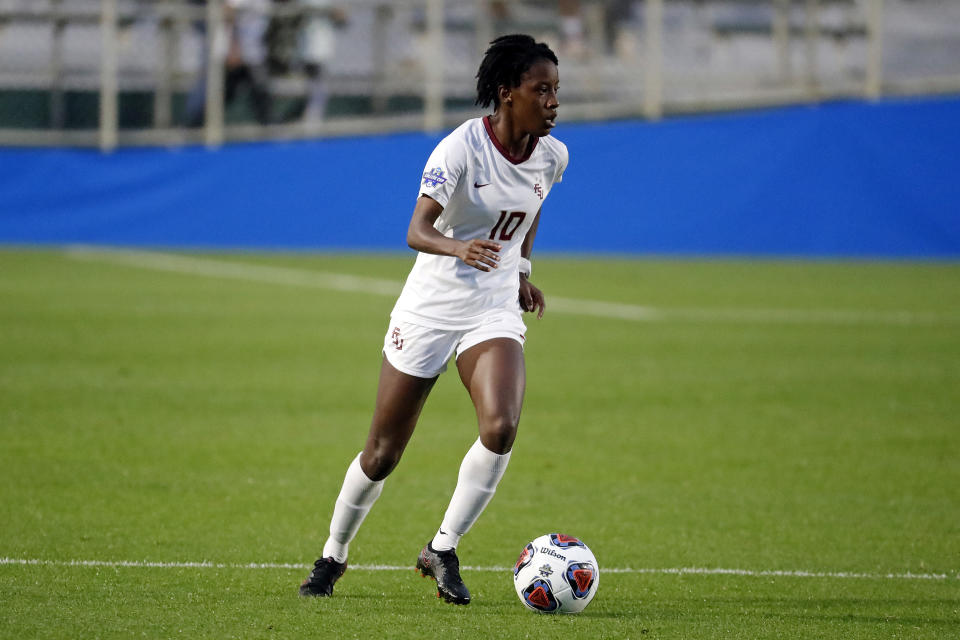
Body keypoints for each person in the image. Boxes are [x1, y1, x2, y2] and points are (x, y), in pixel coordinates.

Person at [299, 34, 567, 605]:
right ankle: (333, 554)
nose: (552, 102)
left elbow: (530, 210)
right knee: (382, 453)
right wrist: (459, 248)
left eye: (556, 91)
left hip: (490, 308)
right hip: (430, 307)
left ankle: (442, 548)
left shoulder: (552, 156)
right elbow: (417, 231)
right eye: (541, 90)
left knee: (500, 427)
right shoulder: (460, 149)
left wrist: (520, 269)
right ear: (507, 93)